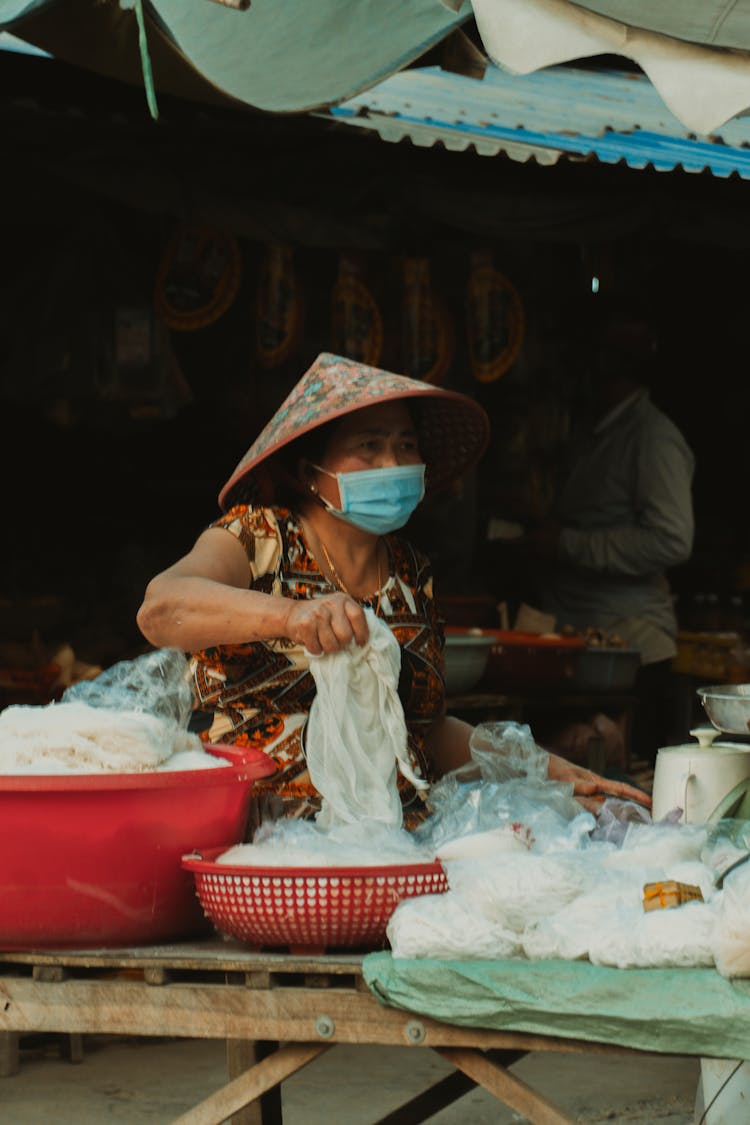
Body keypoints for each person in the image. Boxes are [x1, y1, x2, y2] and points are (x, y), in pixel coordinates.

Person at [136, 352, 649, 827]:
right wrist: (291, 617)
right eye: (369, 446)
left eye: (406, 445)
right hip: (260, 834)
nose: (394, 462)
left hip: (390, 834)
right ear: (308, 470)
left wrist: (546, 770)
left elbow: (426, 727)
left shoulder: (410, 573)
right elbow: (160, 608)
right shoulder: (259, 536)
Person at [518, 297, 695, 766]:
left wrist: (568, 544)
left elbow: (673, 539)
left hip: (630, 647)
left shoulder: (652, 438)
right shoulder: (592, 433)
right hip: (580, 641)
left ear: (611, 363)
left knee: (620, 784)